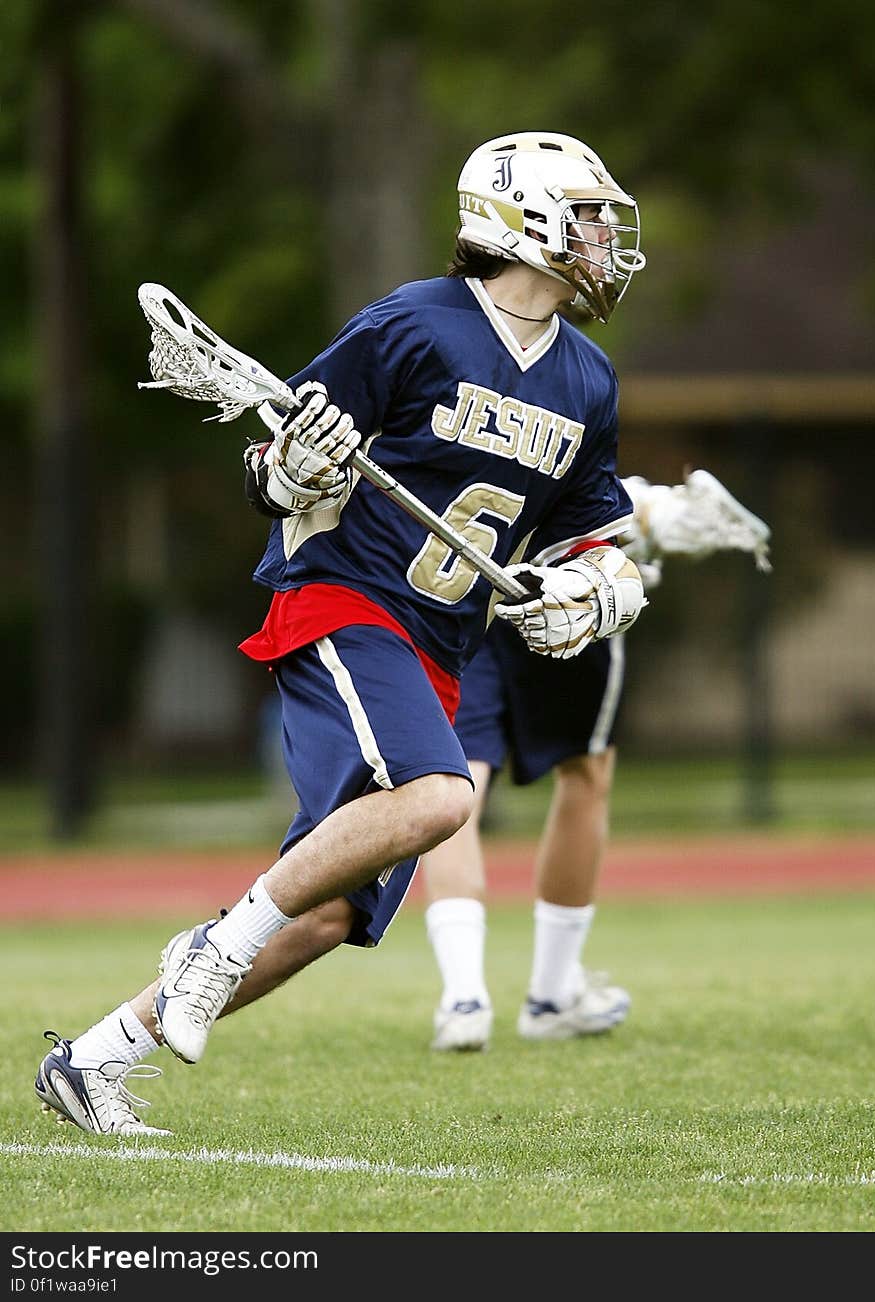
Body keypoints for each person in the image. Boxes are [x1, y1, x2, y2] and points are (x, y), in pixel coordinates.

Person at [35, 130, 649, 1136]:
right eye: (583, 216)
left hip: (439, 646)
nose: (599, 239)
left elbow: (600, 537)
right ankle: (211, 948)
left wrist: (589, 593)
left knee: (325, 911)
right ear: (519, 216)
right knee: (440, 796)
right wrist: (297, 472)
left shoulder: (585, 378)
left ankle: (95, 1060)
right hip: (344, 605)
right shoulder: (415, 323)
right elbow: (267, 474)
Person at [422, 468, 772, 1051]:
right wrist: (648, 513)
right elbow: (580, 478)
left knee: (457, 775)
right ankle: (552, 994)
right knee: (585, 771)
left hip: (464, 582)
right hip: (564, 587)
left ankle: (464, 998)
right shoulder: (580, 376)